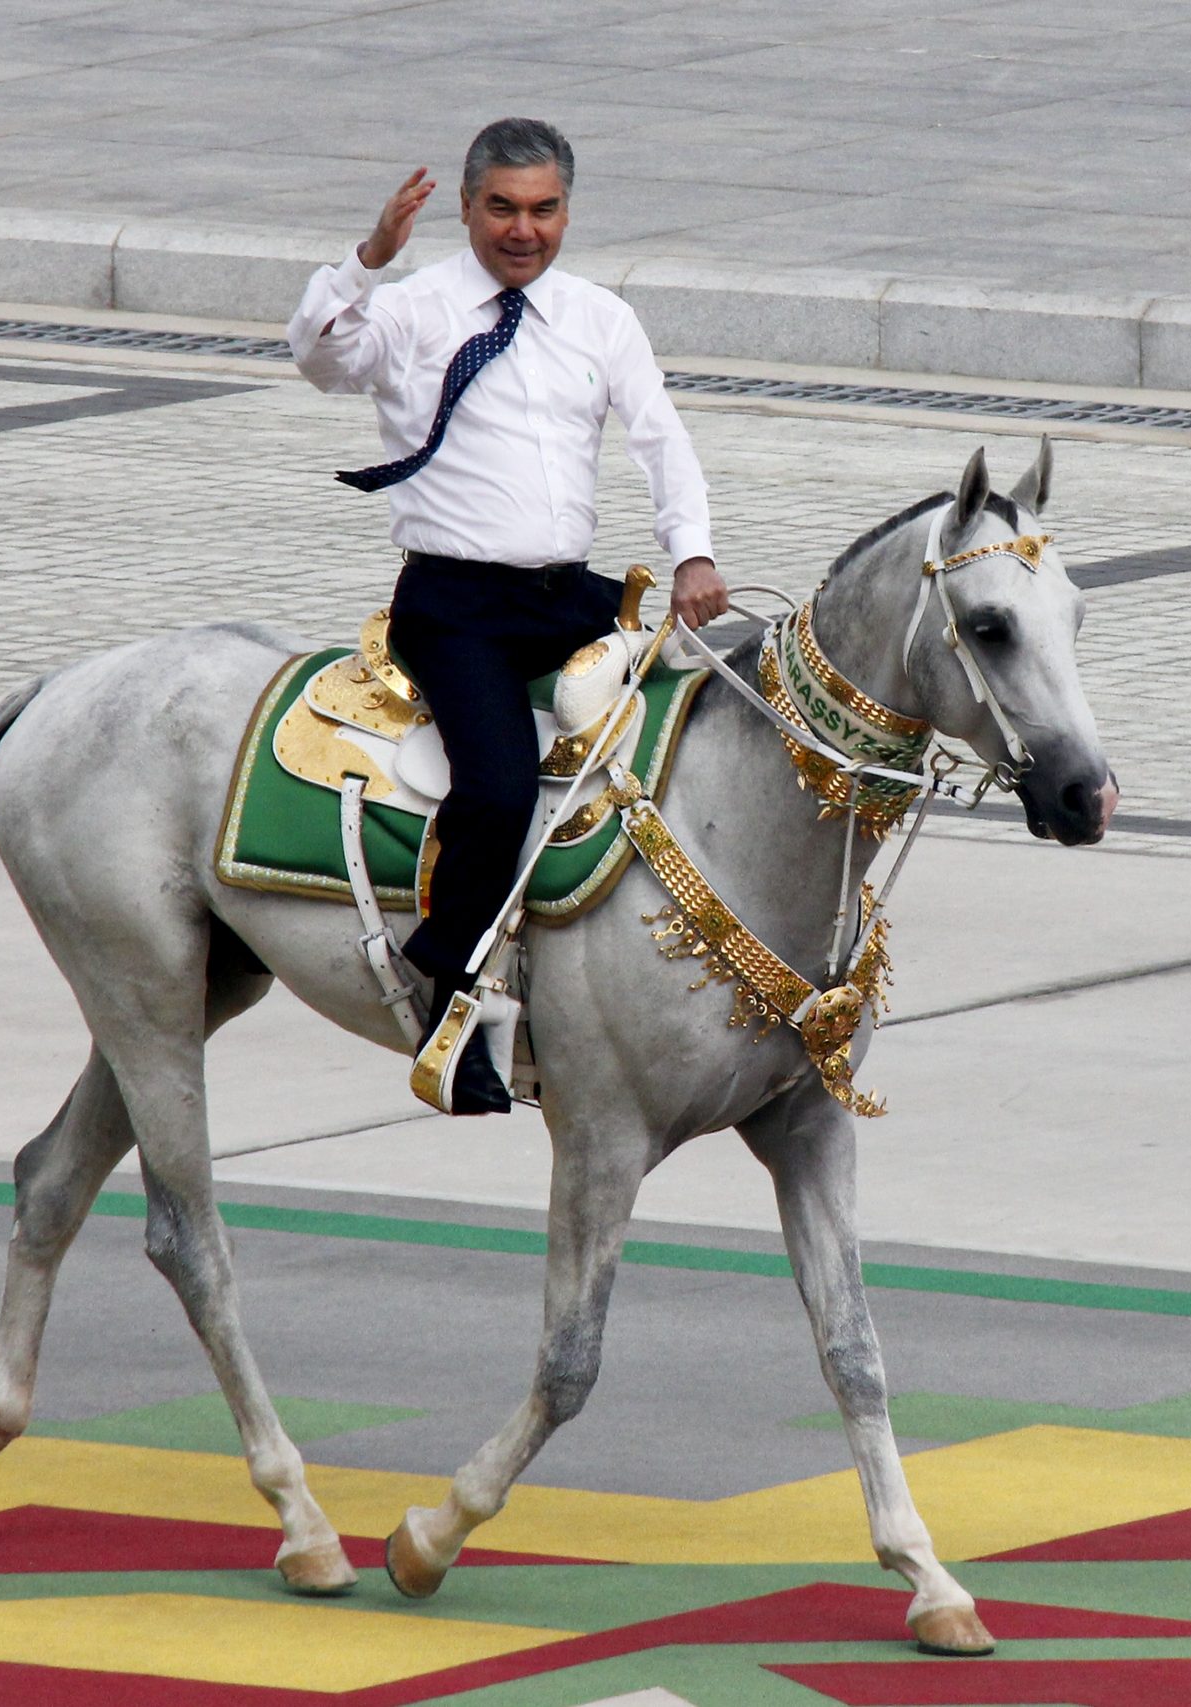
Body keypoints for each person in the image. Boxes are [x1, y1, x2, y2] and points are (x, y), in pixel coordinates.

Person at [286, 116, 728, 1115]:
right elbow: (317, 357)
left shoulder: (598, 317)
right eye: (501, 210)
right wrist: (364, 263)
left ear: (567, 209)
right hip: (456, 607)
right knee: (494, 788)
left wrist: (691, 549)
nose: (522, 231)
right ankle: (449, 988)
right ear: (465, 208)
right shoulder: (411, 309)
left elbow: (661, 438)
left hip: (564, 595)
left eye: (543, 211)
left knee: (697, 733)